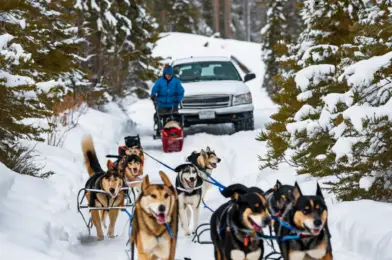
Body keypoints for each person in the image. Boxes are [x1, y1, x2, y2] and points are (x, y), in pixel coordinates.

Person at [151, 65, 185, 137]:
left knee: (174, 118)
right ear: (164, 74)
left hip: (173, 104)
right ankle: (160, 130)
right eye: (167, 74)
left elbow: (181, 92)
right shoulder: (159, 82)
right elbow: (154, 90)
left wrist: (178, 99)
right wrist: (153, 96)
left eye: (170, 74)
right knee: (159, 117)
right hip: (161, 105)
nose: (169, 76)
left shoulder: (176, 82)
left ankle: (176, 131)